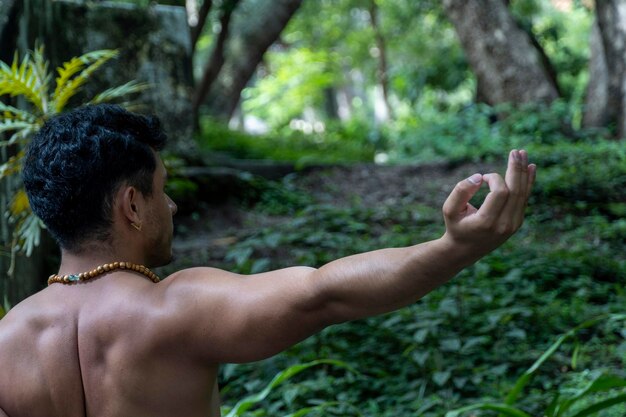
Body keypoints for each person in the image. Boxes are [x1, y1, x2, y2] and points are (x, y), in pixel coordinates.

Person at [0, 104, 536, 417]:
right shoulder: (174, 311)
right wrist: (456, 247)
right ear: (132, 206)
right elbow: (324, 292)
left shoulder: (8, 338)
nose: (172, 204)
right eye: (161, 191)